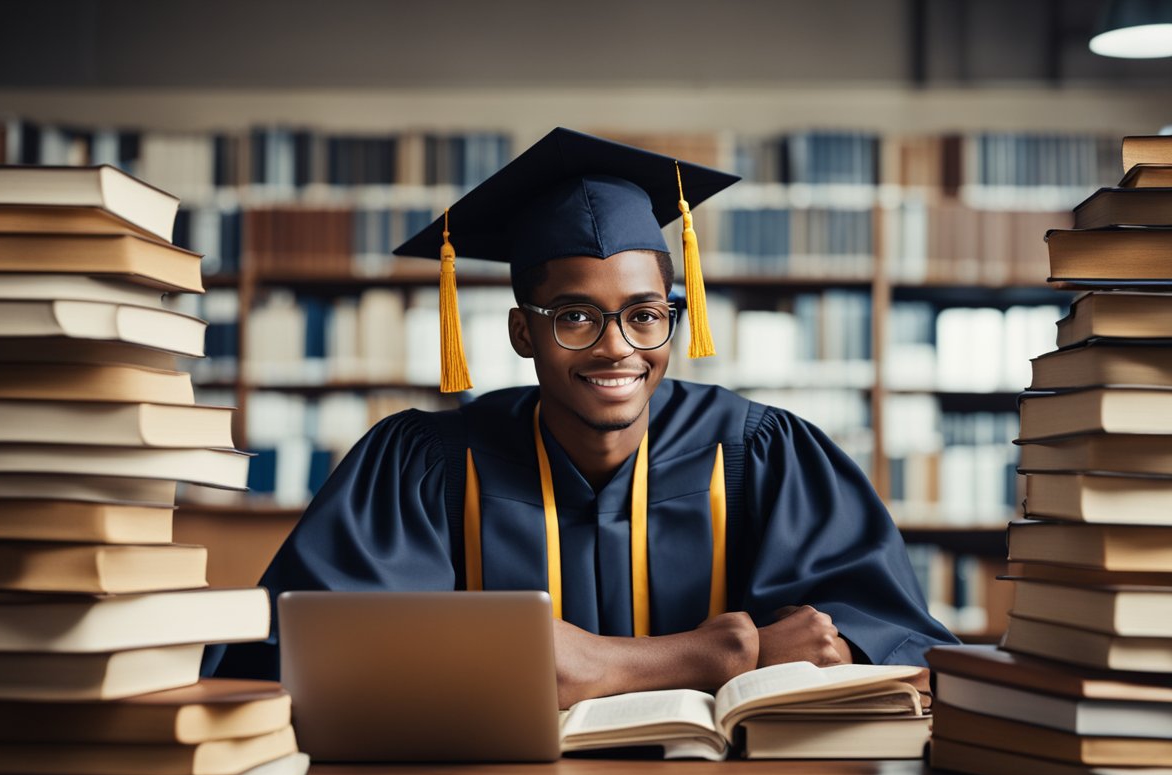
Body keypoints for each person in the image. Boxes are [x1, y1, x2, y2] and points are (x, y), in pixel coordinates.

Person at [209, 128, 957, 705]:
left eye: (644, 315)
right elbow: (309, 658)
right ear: (521, 332)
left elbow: (892, 645)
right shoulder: (425, 464)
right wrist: (719, 653)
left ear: (674, 316)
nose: (617, 348)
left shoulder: (763, 454)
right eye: (574, 317)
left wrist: (841, 652)